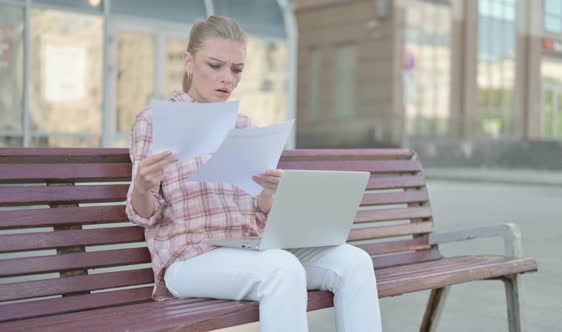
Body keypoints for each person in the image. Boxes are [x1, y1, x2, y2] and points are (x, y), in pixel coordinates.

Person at [125, 16, 382, 332]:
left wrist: (269, 194)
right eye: (215, 65)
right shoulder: (153, 121)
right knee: (281, 268)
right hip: (188, 259)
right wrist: (142, 187)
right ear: (189, 63)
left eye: (236, 69)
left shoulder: (244, 126)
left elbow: (258, 211)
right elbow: (144, 215)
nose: (227, 79)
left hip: (250, 249)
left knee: (354, 262)